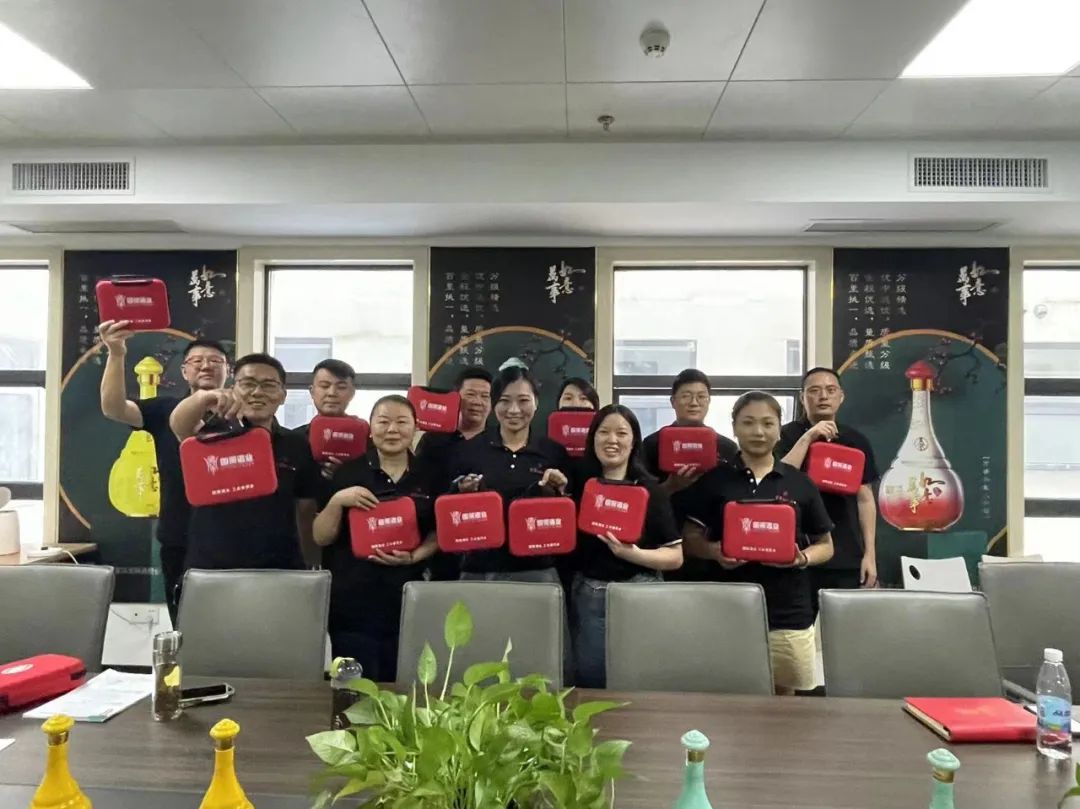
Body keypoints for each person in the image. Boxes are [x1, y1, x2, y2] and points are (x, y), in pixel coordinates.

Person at [677, 391, 834, 695]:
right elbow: (689, 538)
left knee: (785, 700)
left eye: (767, 423)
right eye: (748, 423)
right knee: (727, 697)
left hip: (788, 612)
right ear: (734, 427)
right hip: (726, 610)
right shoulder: (714, 480)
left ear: (779, 430)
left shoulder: (800, 482)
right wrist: (714, 551)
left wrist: (800, 558)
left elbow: (826, 545)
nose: (758, 432)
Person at [97, 319, 229, 625]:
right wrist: (116, 353)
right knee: (185, 625)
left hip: (232, 540)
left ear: (228, 370)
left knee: (232, 627)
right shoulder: (163, 409)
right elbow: (113, 407)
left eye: (215, 361)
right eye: (196, 361)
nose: (205, 366)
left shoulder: (240, 414)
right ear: (184, 371)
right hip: (179, 536)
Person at [313, 395, 438, 681]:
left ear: (416, 427)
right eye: (383, 422)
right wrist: (338, 500)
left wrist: (415, 555)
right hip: (352, 602)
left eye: (401, 422)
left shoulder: (430, 474)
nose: (392, 429)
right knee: (353, 688)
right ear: (370, 428)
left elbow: (440, 531)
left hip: (408, 599)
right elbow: (320, 536)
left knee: (405, 685)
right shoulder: (347, 473)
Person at [169, 352, 321, 572]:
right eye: (248, 383)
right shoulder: (211, 435)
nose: (257, 392)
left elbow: (305, 508)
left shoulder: (296, 444)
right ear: (233, 389)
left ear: (282, 395)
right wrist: (203, 397)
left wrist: (309, 561)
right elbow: (179, 425)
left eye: (269, 385)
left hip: (279, 566)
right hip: (212, 566)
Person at [570, 404, 683, 688]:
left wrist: (632, 554)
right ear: (592, 438)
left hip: (640, 591)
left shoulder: (650, 490)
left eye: (622, 433)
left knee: (643, 675)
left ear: (633, 442)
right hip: (590, 594)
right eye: (604, 432)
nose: (612, 440)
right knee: (591, 677)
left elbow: (675, 556)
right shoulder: (580, 485)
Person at [450, 366, 572, 583]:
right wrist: (462, 490)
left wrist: (560, 491)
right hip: (479, 568)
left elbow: (568, 513)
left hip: (538, 568)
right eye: (504, 401)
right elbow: (449, 509)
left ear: (536, 402)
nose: (514, 410)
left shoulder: (554, 452)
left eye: (523, 400)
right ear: (494, 403)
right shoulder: (469, 449)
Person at [778, 367, 879, 610]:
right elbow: (779, 479)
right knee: (798, 626)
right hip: (797, 551)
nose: (823, 396)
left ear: (841, 396)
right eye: (814, 390)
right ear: (802, 397)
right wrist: (809, 437)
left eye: (830, 390)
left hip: (846, 552)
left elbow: (865, 499)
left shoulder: (856, 440)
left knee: (845, 626)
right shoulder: (786, 435)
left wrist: (870, 554)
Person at [415, 365, 493, 580]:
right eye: (471, 394)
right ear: (456, 397)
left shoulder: (497, 441)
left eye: (485, 396)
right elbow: (419, 484)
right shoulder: (433, 440)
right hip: (439, 541)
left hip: (483, 544)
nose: (478, 402)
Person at [641, 368, 739, 496]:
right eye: (686, 396)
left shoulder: (727, 447)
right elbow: (642, 497)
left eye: (701, 396)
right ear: (673, 401)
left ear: (709, 401)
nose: (694, 403)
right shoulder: (652, 444)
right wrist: (671, 486)